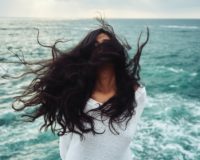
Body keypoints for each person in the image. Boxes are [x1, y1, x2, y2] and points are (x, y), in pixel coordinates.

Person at [10, 17, 149, 160]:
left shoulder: (137, 95)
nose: (101, 48)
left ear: (116, 50)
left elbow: (124, 139)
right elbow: (66, 141)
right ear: (87, 55)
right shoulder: (75, 95)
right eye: (95, 45)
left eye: (106, 44)